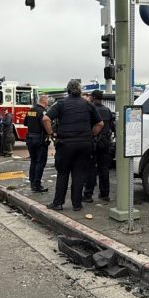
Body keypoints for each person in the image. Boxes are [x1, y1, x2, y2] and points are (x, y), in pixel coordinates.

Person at [42, 80, 103, 211]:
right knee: (79, 174)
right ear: (80, 90)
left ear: (68, 90)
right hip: (85, 144)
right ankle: (77, 204)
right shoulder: (88, 104)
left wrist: (51, 134)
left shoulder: (61, 104)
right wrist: (91, 135)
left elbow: (46, 119)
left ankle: (58, 203)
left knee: (63, 173)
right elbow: (100, 124)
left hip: (66, 144)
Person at [83, 90, 114, 203]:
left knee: (91, 168)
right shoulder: (107, 110)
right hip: (105, 142)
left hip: (93, 141)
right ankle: (105, 194)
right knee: (104, 169)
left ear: (93, 97)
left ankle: (88, 195)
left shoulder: (90, 109)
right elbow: (112, 126)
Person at [23, 95, 50, 192]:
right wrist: (50, 133)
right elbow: (45, 125)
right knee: (41, 162)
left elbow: (25, 123)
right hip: (39, 139)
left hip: (30, 138)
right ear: (45, 102)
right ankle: (37, 185)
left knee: (33, 161)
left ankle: (32, 182)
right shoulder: (42, 112)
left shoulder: (31, 110)